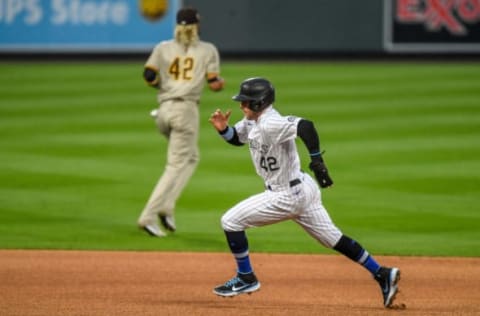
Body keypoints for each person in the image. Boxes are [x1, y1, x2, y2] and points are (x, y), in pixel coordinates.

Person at [208, 77, 401, 308]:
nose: (241, 106)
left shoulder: (271, 122)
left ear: (259, 103)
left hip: (284, 195)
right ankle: (382, 274)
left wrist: (317, 160)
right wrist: (223, 130)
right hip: (302, 189)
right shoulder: (252, 121)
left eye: (245, 102)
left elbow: (305, 126)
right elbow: (237, 139)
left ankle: (246, 277)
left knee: (230, 221)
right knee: (334, 239)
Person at [138, 7, 225, 237]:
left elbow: (149, 76)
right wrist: (219, 85)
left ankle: (167, 206)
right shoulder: (207, 50)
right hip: (185, 111)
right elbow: (214, 83)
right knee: (175, 165)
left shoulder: (162, 47)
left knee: (192, 156)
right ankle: (148, 215)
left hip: (163, 110)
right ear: (196, 26)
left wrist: (164, 86)